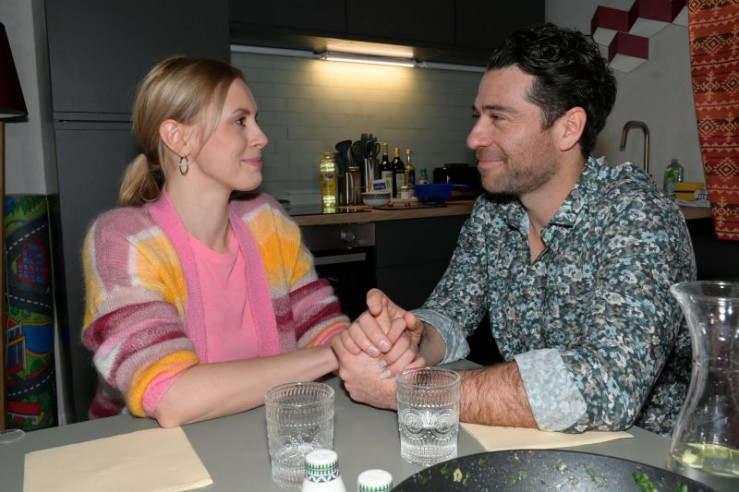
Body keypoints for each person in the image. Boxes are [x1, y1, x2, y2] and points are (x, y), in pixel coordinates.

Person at [332, 23, 696, 435]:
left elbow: (605, 383)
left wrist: (414, 391)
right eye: (478, 117)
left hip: (643, 452)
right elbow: (451, 312)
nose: (474, 137)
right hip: (532, 444)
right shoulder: (494, 210)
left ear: (568, 128)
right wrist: (411, 339)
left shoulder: (638, 217)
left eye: (499, 118)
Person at [81, 56, 350, 427]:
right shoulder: (124, 240)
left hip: (264, 433)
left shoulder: (268, 223)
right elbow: (172, 396)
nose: (261, 137)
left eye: (255, 119)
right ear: (179, 138)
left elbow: (321, 328)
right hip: (149, 448)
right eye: (240, 121)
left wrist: (372, 340)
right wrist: (337, 354)